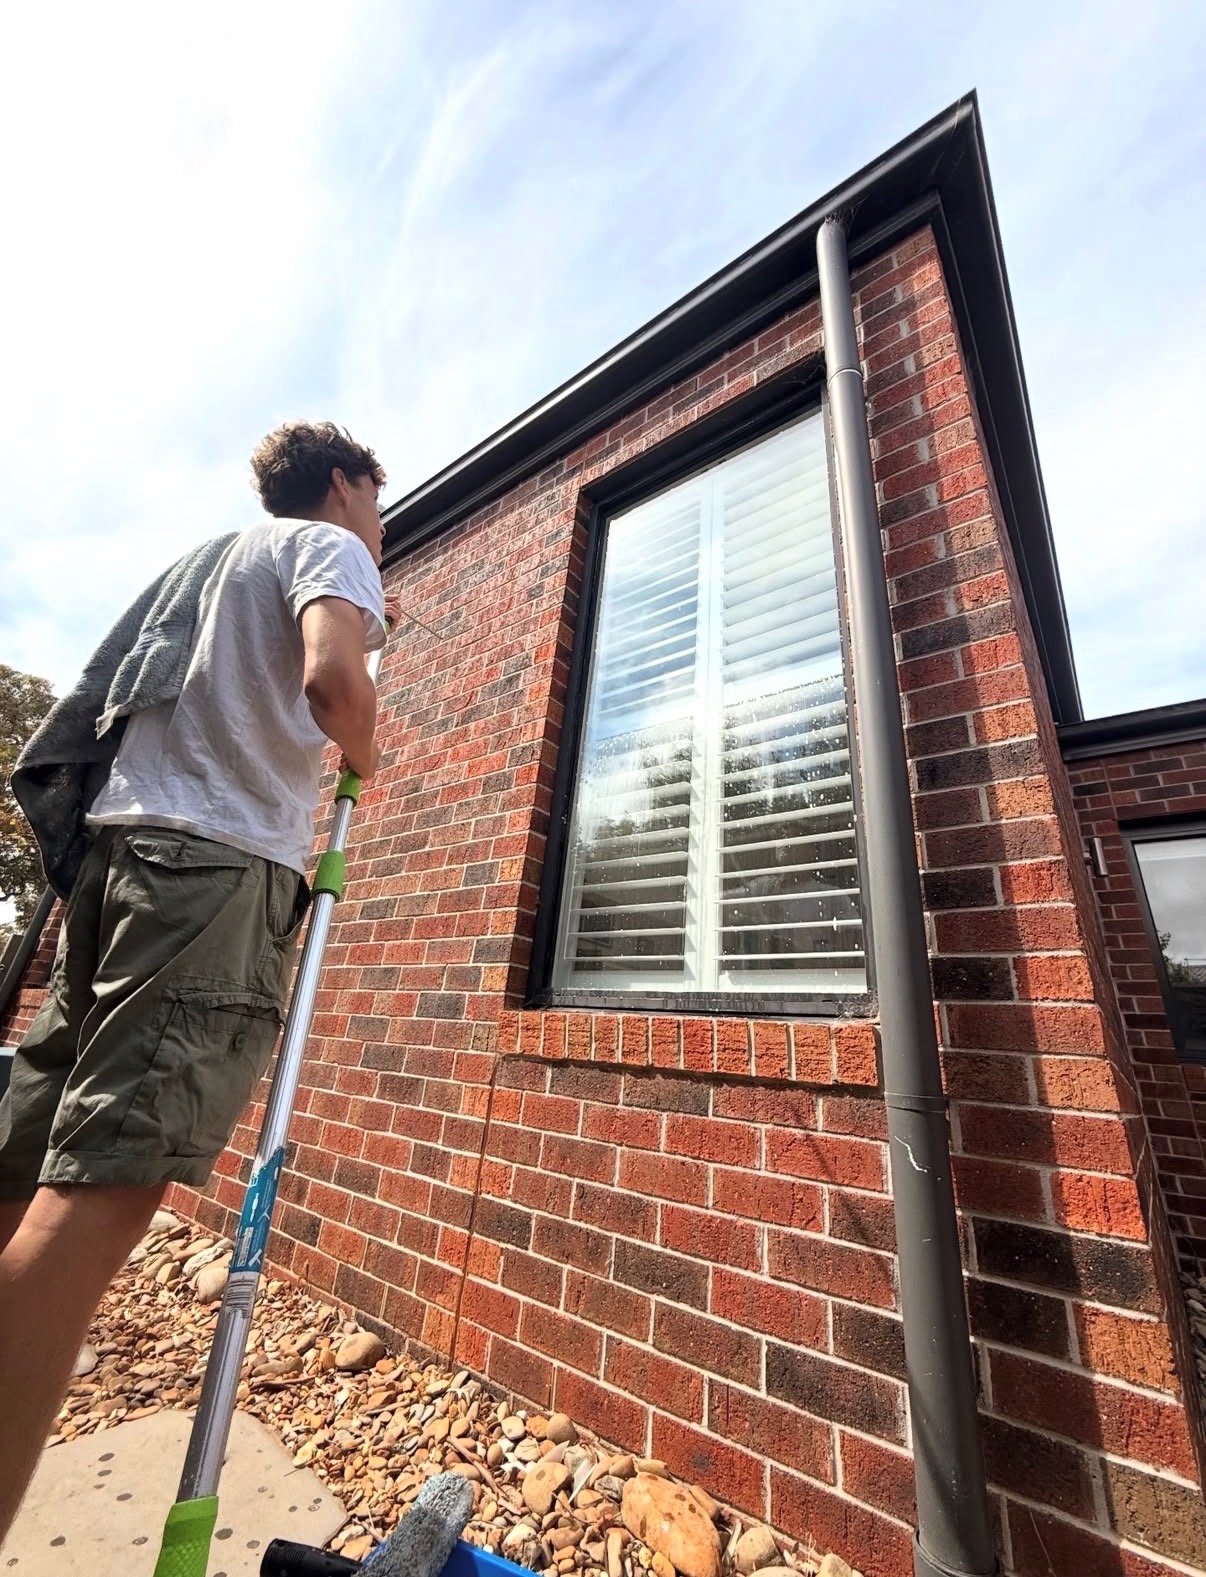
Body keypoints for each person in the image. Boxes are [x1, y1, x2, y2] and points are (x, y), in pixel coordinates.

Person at [0, 421, 401, 1544]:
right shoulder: (331, 548)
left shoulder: (215, 559)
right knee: (99, 1194)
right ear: (341, 482)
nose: (383, 515)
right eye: (378, 492)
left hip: (119, 863)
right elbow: (331, 681)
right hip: (210, 876)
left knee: (25, 1161)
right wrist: (367, 743)